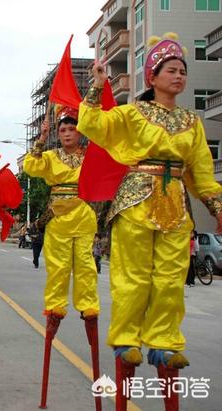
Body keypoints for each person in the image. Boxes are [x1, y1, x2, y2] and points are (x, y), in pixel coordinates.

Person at [79, 33, 222, 408]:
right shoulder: (132, 114)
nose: (178, 76)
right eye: (171, 70)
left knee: (171, 278)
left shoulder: (192, 122)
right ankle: (127, 339)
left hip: (176, 202)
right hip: (137, 197)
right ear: (152, 77)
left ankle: (164, 342)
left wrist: (216, 206)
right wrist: (96, 86)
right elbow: (91, 123)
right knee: (133, 276)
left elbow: (203, 174)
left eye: (182, 71)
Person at [24, 105, 101, 406]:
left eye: (72, 129)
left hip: (83, 215)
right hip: (58, 218)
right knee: (58, 270)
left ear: (79, 131)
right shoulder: (52, 158)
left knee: (85, 267)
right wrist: (41, 137)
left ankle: (89, 308)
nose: (67, 133)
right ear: (58, 134)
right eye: (63, 130)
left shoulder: (90, 154)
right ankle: (55, 310)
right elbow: (31, 165)